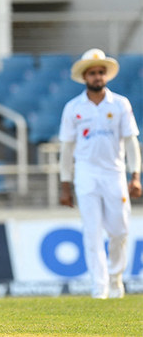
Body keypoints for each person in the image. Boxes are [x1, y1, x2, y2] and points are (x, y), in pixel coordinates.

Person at [58, 48, 141, 299]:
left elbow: (131, 142)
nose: (97, 77)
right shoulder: (73, 108)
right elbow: (67, 148)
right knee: (92, 232)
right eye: (92, 73)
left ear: (106, 76)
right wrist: (65, 184)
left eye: (101, 73)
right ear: (85, 77)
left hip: (114, 174)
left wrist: (135, 175)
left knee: (120, 231)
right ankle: (99, 287)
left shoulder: (120, 104)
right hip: (86, 175)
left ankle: (116, 279)